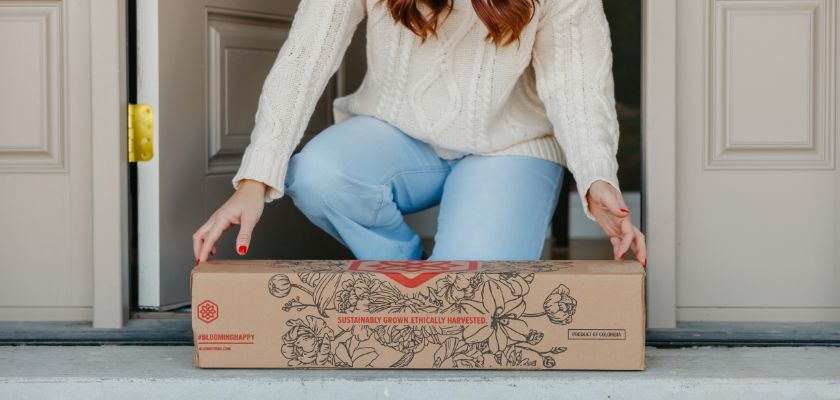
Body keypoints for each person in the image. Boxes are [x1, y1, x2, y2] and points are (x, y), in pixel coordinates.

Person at [192, 0, 647, 265]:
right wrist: (254, 180)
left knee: (469, 291)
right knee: (317, 173)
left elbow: (577, 85)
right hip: (395, 132)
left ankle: (437, 279)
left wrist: (596, 175)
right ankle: (401, 274)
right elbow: (306, 58)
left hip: (511, 144)